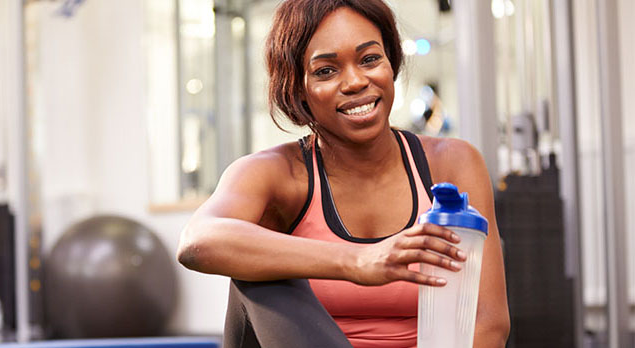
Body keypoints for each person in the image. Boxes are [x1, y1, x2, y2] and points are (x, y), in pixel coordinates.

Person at [176, 1, 510, 347]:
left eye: (369, 59)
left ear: (390, 62)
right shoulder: (277, 172)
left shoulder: (452, 163)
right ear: (297, 87)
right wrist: (359, 261)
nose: (355, 82)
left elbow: (489, 324)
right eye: (325, 71)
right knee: (260, 270)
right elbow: (198, 241)